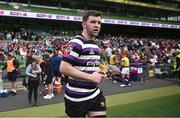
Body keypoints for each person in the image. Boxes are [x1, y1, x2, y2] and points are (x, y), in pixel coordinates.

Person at [60, 10, 107, 117]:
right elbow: (64, 68)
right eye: (93, 22)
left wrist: (99, 74)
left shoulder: (95, 45)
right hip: (76, 98)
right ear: (84, 24)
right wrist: (91, 77)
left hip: (94, 94)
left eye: (99, 23)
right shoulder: (76, 43)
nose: (97, 25)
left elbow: (88, 68)